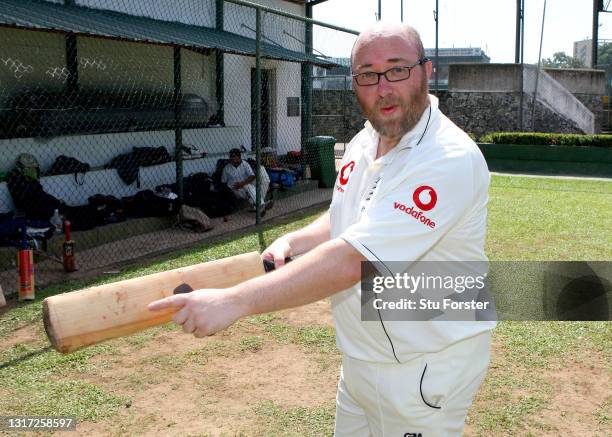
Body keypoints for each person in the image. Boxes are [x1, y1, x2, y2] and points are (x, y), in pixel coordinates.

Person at [150, 22, 495, 436]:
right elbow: (348, 217)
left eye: (397, 69)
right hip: (363, 359)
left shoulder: (446, 157)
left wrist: (234, 302)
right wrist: (296, 239)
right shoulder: (366, 139)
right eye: (367, 74)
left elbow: (353, 260)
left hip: (424, 365)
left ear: (426, 70)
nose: (383, 87)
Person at [221, 148, 271, 212]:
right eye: (230, 156)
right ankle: (260, 206)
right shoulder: (227, 168)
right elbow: (223, 182)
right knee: (249, 188)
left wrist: (242, 183)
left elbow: (252, 176)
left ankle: (259, 207)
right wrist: (231, 190)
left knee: (264, 176)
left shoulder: (245, 164)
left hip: (246, 184)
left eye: (233, 156)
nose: (231, 158)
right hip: (236, 188)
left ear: (239, 157)